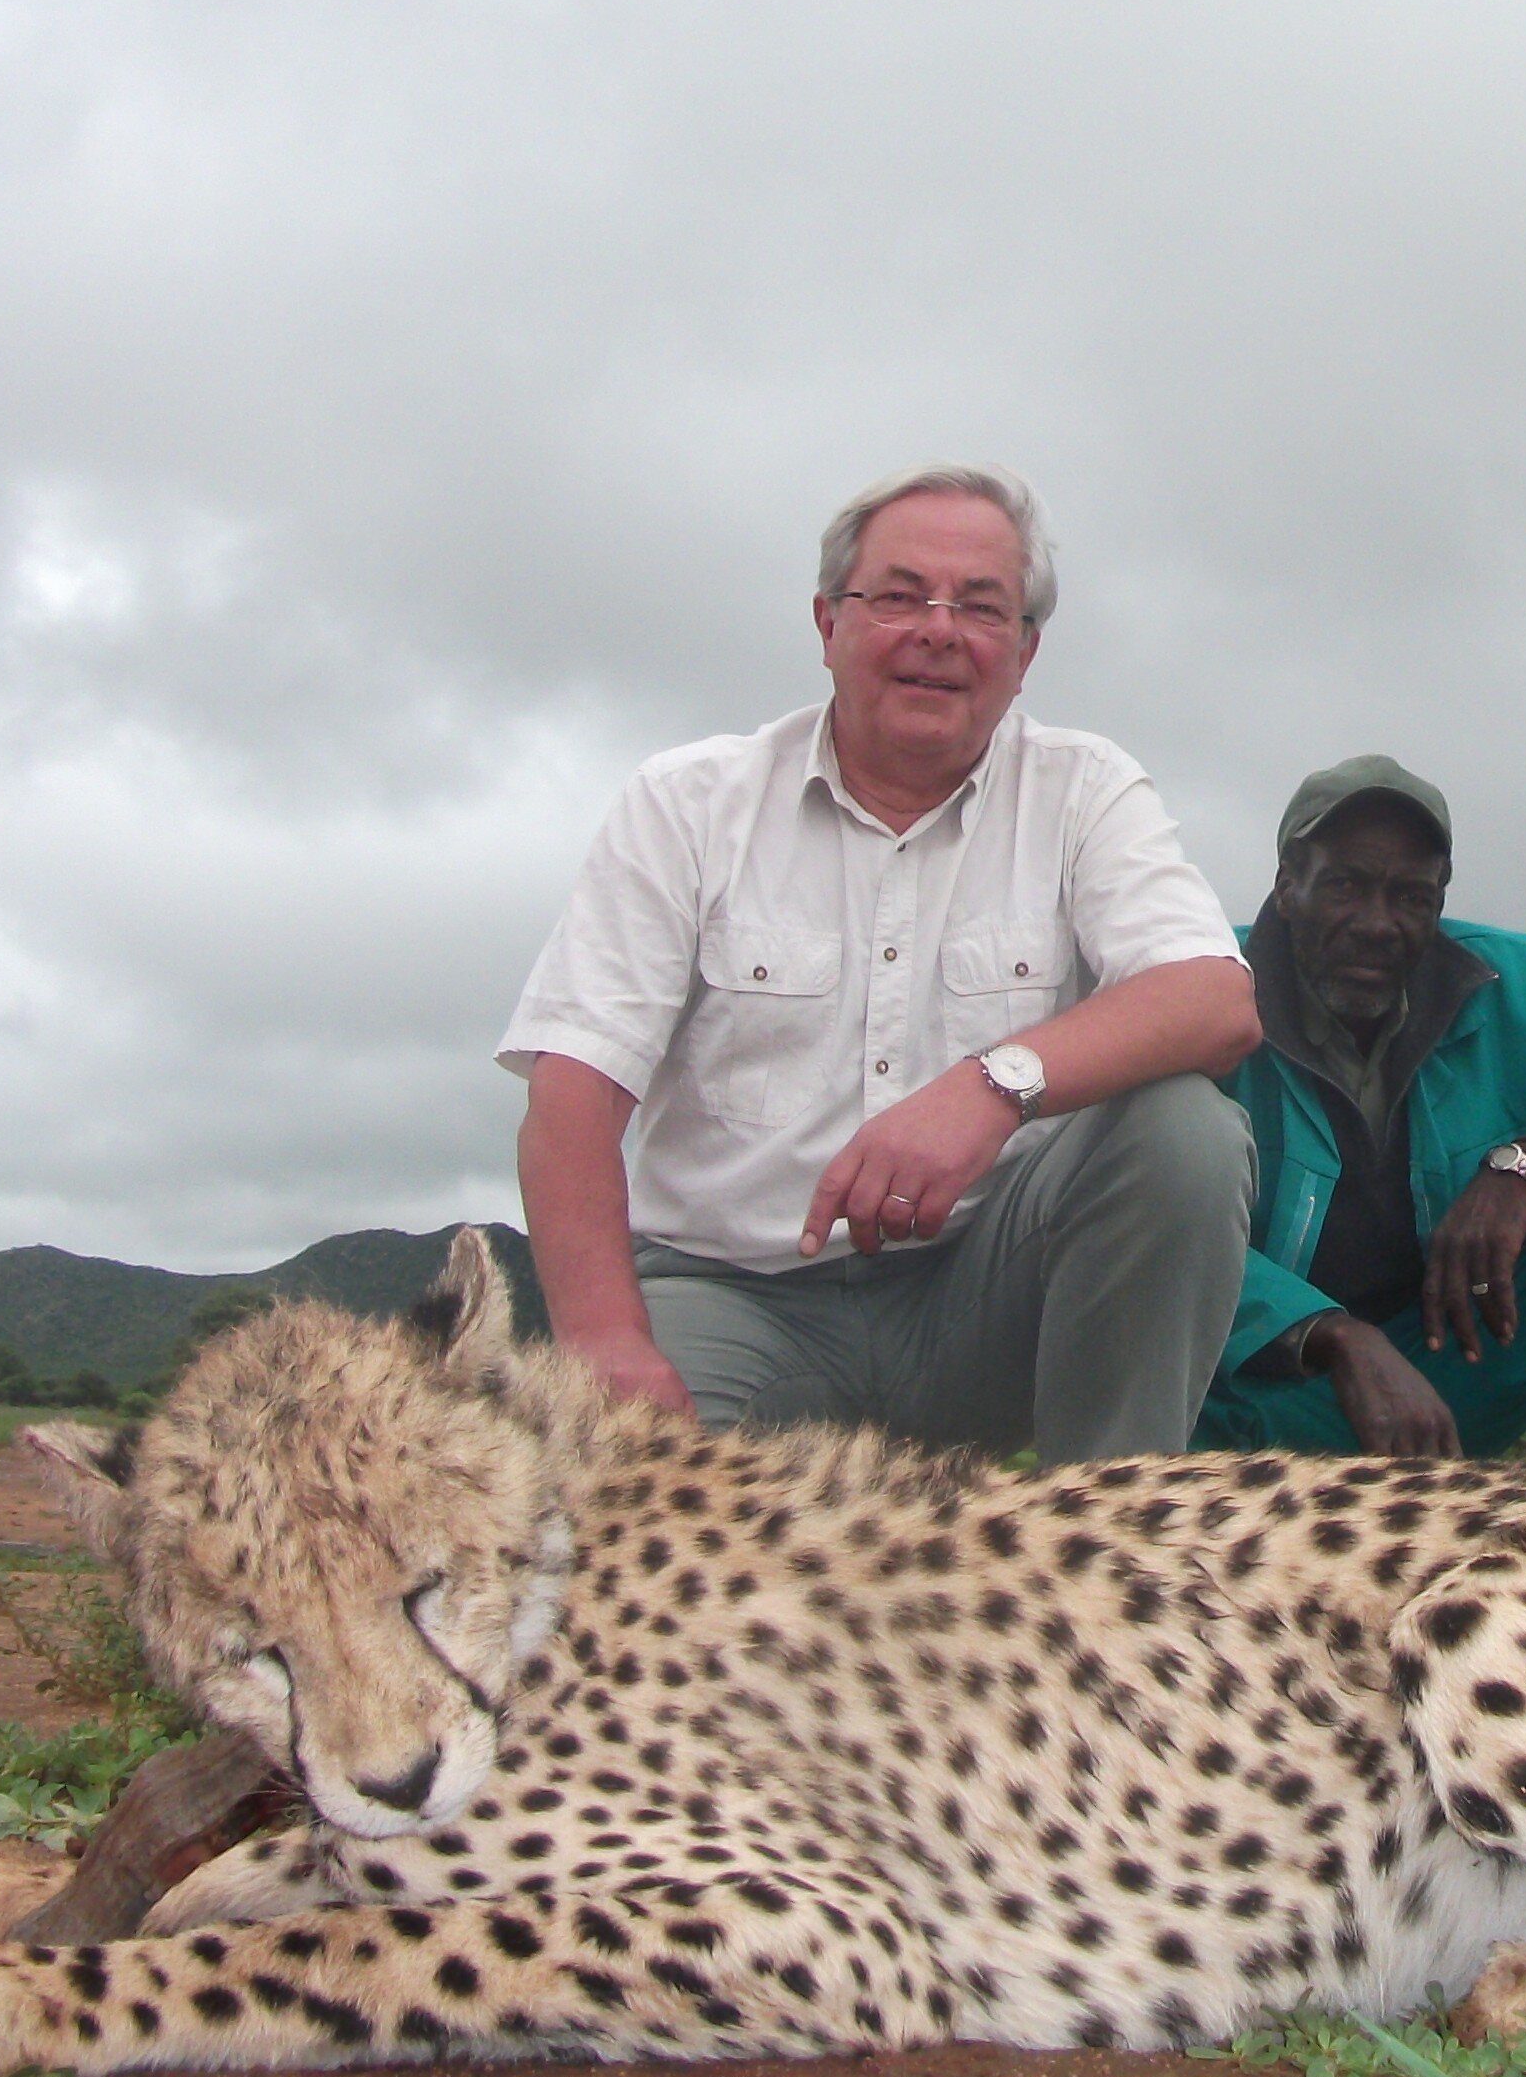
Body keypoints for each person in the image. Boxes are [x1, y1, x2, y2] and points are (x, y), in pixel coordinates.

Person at [498, 464, 1259, 1463]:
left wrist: (990, 1088)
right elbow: (573, 1091)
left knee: (1186, 1134)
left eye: (981, 607)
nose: (938, 632)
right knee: (620, 1534)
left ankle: (1108, 1542)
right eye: (898, 597)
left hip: (982, 1302)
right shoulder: (686, 803)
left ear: (1024, 652)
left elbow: (1213, 1000)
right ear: (827, 624)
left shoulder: (1085, 791)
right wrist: (602, 1340)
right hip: (737, 1299)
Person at [1196, 756, 1526, 1480]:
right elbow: (1133, 1211)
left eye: (1411, 897)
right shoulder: (1203, 986)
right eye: (1347, 886)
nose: (1377, 924)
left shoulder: (1501, 987)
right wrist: (1330, 1334)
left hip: (1450, 1375)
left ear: (1439, 904)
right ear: (1288, 885)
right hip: (1253, 1397)